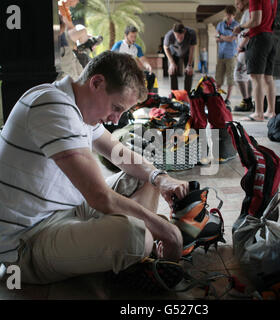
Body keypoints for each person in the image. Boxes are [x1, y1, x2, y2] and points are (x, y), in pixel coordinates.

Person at [0, 51, 188, 285]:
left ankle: (128, 255)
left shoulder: (78, 108)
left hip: (69, 210)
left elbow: (119, 154)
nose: (115, 119)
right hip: (27, 242)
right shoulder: (53, 106)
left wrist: (160, 177)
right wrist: (167, 232)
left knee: (144, 177)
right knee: (136, 236)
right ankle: (135, 251)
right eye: (116, 107)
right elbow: (100, 197)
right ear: (96, 83)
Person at [233, 0, 278, 121]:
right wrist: (250, 31)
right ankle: (271, 111)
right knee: (268, 78)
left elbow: (256, 20)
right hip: (271, 37)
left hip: (259, 40)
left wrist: (241, 27)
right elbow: (265, 21)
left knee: (256, 77)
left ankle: (258, 113)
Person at [215, 5, 239, 107]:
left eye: (230, 15)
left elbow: (231, 39)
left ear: (233, 15)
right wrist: (224, 37)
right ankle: (216, 97)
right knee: (218, 78)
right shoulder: (220, 25)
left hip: (231, 55)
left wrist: (221, 37)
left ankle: (227, 99)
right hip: (221, 54)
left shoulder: (237, 25)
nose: (228, 17)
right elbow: (216, 38)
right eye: (227, 15)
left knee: (230, 78)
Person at [163, 23, 197, 93]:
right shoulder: (169, 35)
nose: (179, 39)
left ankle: (187, 94)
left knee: (189, 72)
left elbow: (192, 48)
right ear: (174, 33)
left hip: (187, 53)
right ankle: (175, 94)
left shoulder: (191, 33)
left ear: (184, 32)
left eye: (181, 37)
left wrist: (189, 65)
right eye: (177, 36)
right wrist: (172, 63)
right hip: (173, 54)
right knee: (172, 71)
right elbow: (165, 48)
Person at [233, 0, 254, 112]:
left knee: (238, 75)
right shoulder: (247, 13)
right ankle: (248, 100)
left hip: (245, 50)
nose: (237, 6)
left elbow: (250, 31)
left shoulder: (248, 13)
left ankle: (246, 101)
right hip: (246, 49)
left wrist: (241, 45)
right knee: (247, 76)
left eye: (238, 3)